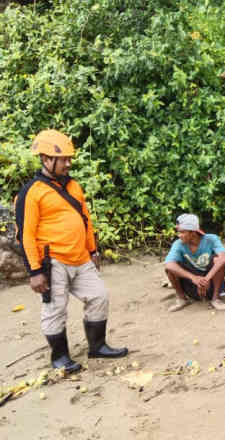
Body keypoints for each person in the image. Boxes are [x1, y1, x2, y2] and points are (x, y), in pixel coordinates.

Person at [15, 129, 128, 374]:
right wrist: (34, 271)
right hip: (53, 262)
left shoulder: (74, 186)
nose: (68, 163)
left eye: (69, 158)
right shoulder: (31, 193)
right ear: (47, 160)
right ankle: (60, 357)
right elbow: (26, 235)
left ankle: (97, 346)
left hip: (81, 258)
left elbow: (85, 220)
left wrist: (93, 250)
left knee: (99, 297)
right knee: (55, 310)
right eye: (63, 159)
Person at [164, 213, 225, 312]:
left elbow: (224, 257)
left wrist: (206, 279)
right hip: (191, 285)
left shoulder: (211, 239)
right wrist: (193, 278)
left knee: (218, 260)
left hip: (211, 284)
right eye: (178, 232)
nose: (179, 235)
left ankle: (215, 298)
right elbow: (169, 264)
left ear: (193, 233)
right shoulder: (178, 244)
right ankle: (182, 299)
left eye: (182, 232)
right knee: (170, 269)